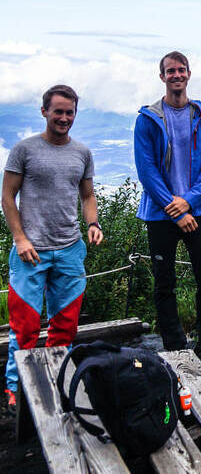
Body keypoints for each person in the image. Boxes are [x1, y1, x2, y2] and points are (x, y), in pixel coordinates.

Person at [2, 85, 103, 410]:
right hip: (30, 252)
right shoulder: (24, 149)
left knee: (65, 326)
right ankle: (17, 390)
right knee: (25, 328)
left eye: (69, 112)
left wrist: (93, 224)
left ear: (75, 114)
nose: (63, 118)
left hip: (70, 250)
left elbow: (87, 196)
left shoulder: (82, 153)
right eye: (57, 111)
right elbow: (7, 196)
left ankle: (58, 380)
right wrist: (20, 238)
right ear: (44, 111)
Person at [134, 51, 201, 362]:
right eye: (170, 71)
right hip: (160, 214)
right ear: (161, 76)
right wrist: (173, 208)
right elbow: (146, 169)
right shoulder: (147, 119)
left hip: (198, 211)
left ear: (189, 74)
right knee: (164, 283)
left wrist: (187, 202)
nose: (176, 76)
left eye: (180, 70)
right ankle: (175, 343)